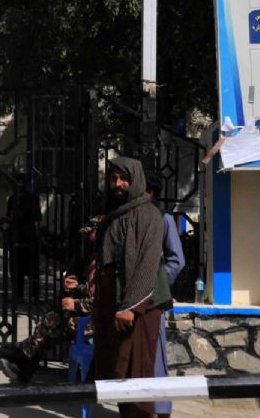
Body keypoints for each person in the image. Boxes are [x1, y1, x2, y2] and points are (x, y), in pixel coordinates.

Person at [93, 158, 171, 418]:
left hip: (141, 306)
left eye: (123, 178)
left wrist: (130, 307)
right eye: (114, 178)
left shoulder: (149, 215)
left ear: (135, 179)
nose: (118, 184)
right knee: (121, 373)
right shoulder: (115, 215)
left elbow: (147, 263)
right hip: (116, 303)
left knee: (139, 372)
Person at [0, 215, 102, 383]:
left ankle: (17, 358)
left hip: (96, 318)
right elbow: (89, 289)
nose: (86, 238)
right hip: (86, 314)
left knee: (52, 326)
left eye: (90, 233)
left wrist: (76, 305)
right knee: (49, 322)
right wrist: (73, 286)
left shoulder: (105, 261)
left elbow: (101, 299)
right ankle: (22, 366)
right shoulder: (91, 257)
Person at [144, 170, 186, 418]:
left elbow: (176, 260)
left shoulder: (164, 219)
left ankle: (160, 409)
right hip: (133, 301)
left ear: (150, 193)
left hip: (153, 300)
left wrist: (157, 284)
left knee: (156, 355)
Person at [7, 172, 41, 303]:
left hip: (28, 236)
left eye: (20, 182)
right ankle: (18, 294)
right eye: (16, 182)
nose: (18, 185)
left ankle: (34, 295)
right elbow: (9, 216)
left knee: (32, 268)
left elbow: (37, 217)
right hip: (15, 236)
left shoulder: (31, 198)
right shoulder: (12, 198)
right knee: (16, 269)